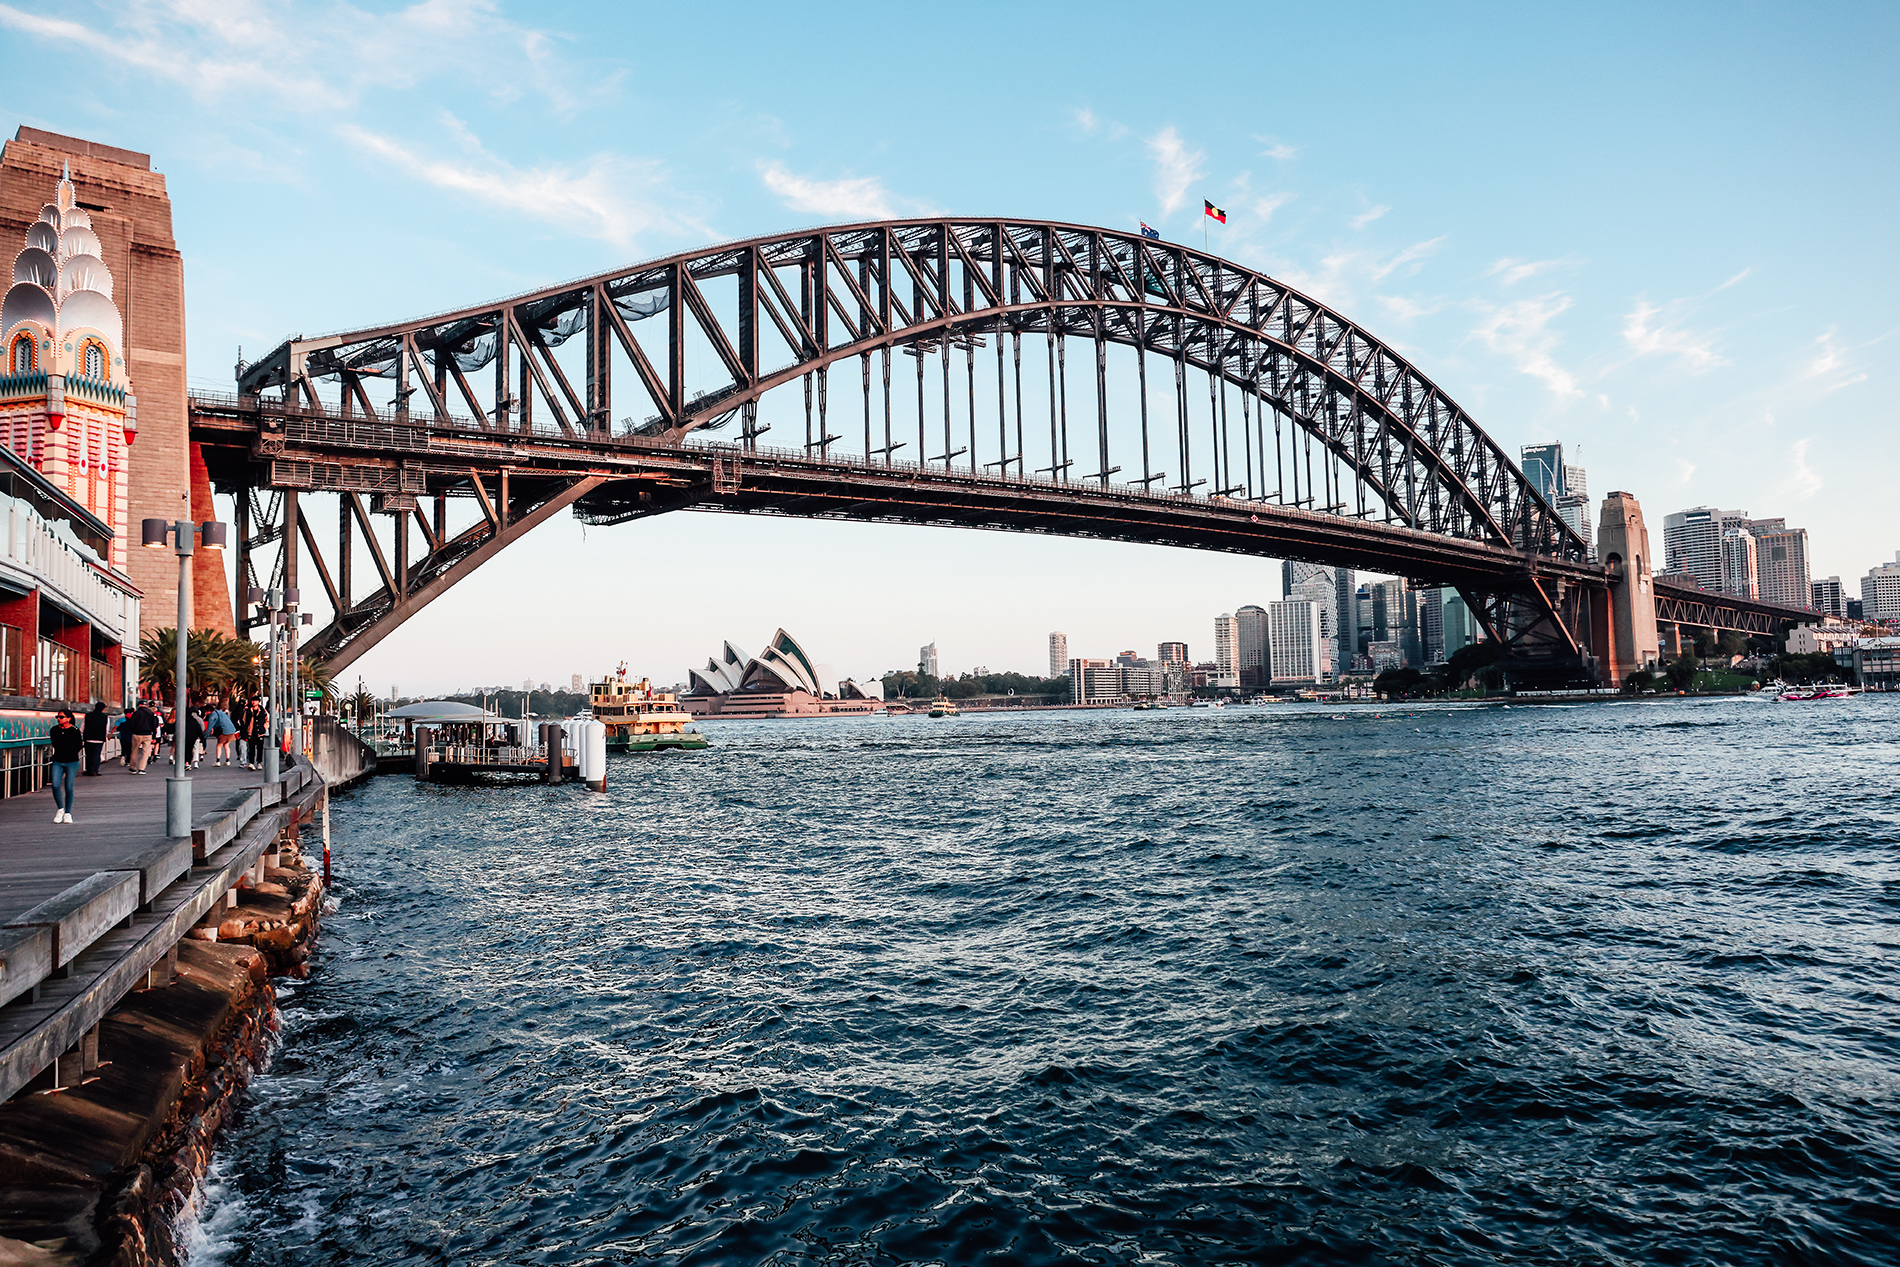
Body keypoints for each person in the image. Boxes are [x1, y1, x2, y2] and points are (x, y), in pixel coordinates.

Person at [47, 710, 82, 824]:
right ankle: (60, 809)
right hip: (58, 761)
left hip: (72, 762)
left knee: (69, 787)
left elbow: (78, 745)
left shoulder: (75, 731)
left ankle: (68, 813)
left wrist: (70, 752)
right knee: (55, 785)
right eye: (57, 717)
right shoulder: (54, 730)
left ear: (69, 718)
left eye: (61, 717)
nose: (58, 719)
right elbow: (56, 744)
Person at [127, 699, 160, 773]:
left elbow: (131, 724)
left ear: (139, 705)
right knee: (145, 752)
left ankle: (133, 767)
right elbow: (155, 726)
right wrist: (154, 736)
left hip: (137, 734)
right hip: (148, 734)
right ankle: (142, 768)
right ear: (146, 705)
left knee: (134, 751)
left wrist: (133, 730)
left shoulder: (136, 713)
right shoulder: (151, 713)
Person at [206, 700, 238, 766]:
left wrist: (205, 735)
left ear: (209, 710)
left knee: (219, 745)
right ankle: (228, 760)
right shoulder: (221, 712)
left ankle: (217, 761)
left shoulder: (213, 715)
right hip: (231, 730)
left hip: (224, 731)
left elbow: (210, 726)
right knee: (226, 745)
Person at [82, 701, 109, 776]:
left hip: (88, 738)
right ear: (103, 709)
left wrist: (83, 735)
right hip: (99, 739)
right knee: (96, 755)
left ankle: (89, 770)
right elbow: (107, 729)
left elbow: (82, 727)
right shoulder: (105, 717)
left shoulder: (88, 715)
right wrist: (104, 736)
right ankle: (95, 770)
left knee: (89, 755)